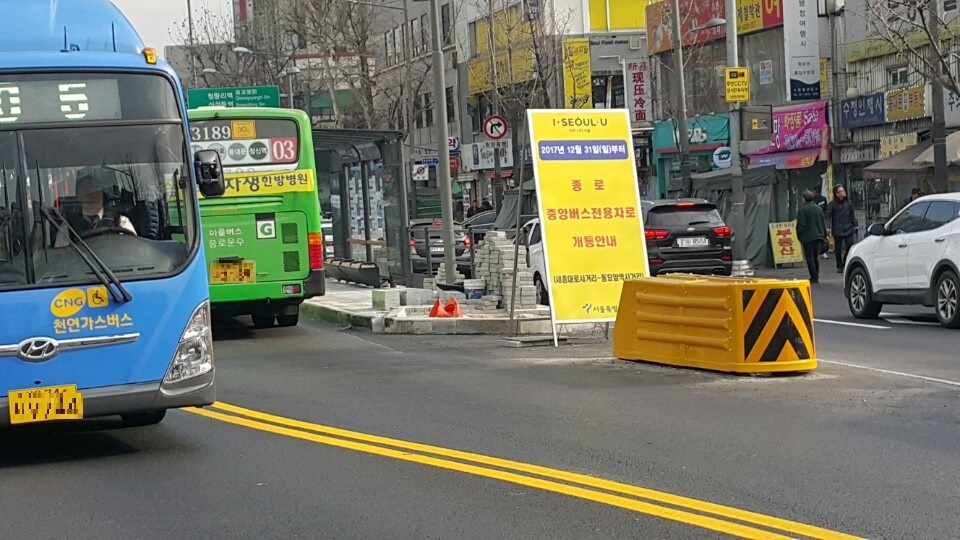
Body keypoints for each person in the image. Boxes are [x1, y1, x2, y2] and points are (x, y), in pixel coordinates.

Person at [55, 166, 136, 247]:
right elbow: (61, 255)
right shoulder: (68, 227)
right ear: (79, 195)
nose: (93, 195)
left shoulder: (120, 221)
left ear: (103, 193)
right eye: (87, 190)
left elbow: (132, 250)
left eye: (96, 190)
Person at [825, 184, 857, 274]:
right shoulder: (832, 204)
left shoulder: (849, 202)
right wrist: (827, 227)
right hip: (838, 228)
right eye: (841, 191)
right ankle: (839, 265)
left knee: (850, 245)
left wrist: (855, 224)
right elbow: (827, 216)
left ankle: (845, 262)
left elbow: (852, 215)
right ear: (837, 193)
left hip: (848, 227)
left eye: (843, 191)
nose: (843, 193)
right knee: (838, 248)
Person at [797, 190, 827, 283]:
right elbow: (822, 222)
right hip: (819, 236)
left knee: (809, 257)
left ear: (804, 199)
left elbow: (801, 225)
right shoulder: (818, 209)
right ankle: (816, 275)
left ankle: (814, 277)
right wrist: (824, 235)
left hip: (808, 237)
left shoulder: (803, 210)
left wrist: (799, 235)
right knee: (815, 257)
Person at [811, 186, 829, 259]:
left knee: (823, 236)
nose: (814, 193)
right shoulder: (812, 200)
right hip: (813, 221)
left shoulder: (823, 199)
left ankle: (823, 251)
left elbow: (826, 209)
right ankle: (816, 252)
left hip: (822, 220)